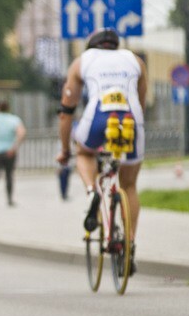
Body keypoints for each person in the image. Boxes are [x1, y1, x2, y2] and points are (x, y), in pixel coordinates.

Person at [56, 27, 147, 275]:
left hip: (97, 118)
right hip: (130, 121)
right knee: (128, 186)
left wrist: (65, 150)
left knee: (84, 153)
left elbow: (66, 113)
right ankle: (129, 247)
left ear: (91, 47)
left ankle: (91, 192)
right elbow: (141, 101)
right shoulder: (135, 60)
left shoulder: (82, 62)